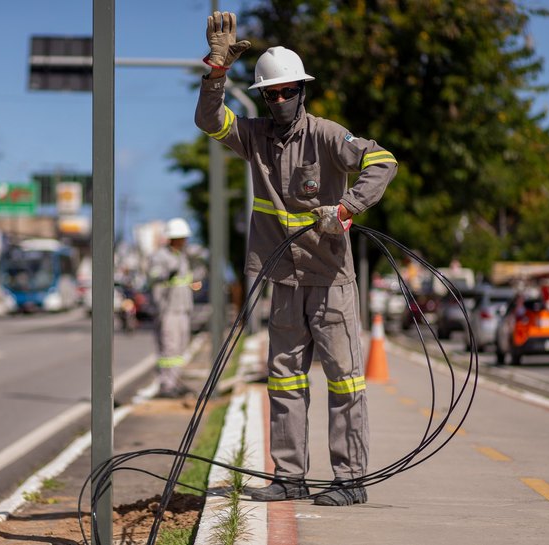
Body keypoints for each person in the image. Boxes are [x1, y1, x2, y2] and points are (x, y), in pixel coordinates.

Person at [195, 12, 398, 506]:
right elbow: (209, 121)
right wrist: (217, 70)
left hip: (331, 282)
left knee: (345, 381)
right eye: (271, 93)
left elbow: (382, 160)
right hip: (283, 281)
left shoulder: (327, 136)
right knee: (284, 384)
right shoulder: (254, 137)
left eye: (287, 91)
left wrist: (348, 208)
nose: (279, 100)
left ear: (302, 91)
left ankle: (350, 480)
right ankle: (289, 478)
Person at [148, 218, 196, 398]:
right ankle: (166, 384)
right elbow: (154, 276)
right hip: (167, 309)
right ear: (173, 238)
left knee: (180, 348)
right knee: (169, 348)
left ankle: (175, 381)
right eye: (181, 238)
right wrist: (166, 273)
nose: (184, 241)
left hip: (183, 308)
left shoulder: (181, 257)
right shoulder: (160, 256)